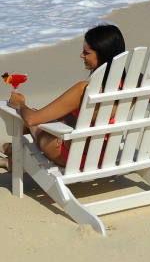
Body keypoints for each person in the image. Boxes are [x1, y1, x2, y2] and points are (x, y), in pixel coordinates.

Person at [0, 24, 126, 171]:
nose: (81, 56)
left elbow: (32, 119)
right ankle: (11, 156)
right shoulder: (132, 81)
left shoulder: (84, 89)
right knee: (60, 117)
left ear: (102, 54)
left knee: (29, 120)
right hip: (107, 152)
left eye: (86, 52)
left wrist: (20, 104)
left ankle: (11, 153)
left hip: (73, 157)